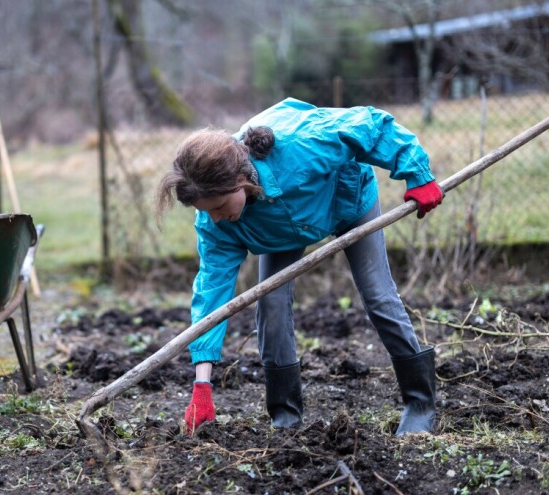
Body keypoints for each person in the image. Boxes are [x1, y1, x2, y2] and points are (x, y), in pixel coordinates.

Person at [155, 97, 443, 436]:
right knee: (271, 306)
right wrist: (202, 386)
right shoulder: (216, 222)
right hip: (279, 233)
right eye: (208, 211)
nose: (216, 216)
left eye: (219, 205)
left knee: (378, 295)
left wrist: (417, 173)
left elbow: (372, 124)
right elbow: (212, 295)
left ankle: (420, 404)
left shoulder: (301, 143)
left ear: (240, 179)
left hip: (347, 201)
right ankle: (285, 417)